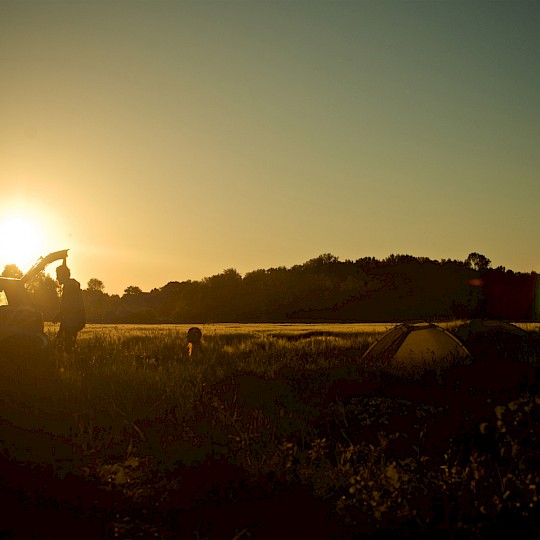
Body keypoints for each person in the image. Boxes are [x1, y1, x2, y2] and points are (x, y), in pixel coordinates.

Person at [55, 263, 86, 355]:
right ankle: (69, 362)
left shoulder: (69, 286)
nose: (57, 278)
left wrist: (59, 315)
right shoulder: (72, 284)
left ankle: (65, 365)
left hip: (71, 321)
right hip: (74, 320)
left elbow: (68, 305)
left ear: (62, 275)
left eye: (58, 275)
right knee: (67, 345)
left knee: (62, 345)